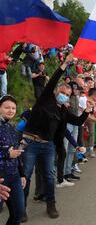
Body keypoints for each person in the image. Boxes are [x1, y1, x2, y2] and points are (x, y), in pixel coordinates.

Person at [22, 54, 94, 220]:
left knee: (49, 175)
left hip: (47, 146)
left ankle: (51, 204)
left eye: (67, 95)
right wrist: (65, 64)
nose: (64, 95)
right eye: (62, 92)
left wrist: (87, 111)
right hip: (30, 142)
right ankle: (21, 208)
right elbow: (54, 79)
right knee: (25, 175)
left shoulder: (63, 111)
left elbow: (76, 121)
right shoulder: (45, 98)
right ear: (56, 91)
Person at [0, 95, 26, 225]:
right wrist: (6, 153)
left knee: (18, 213)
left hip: (14, 175)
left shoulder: (11, 127)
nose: (10, 110)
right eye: (6, 107)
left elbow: (17, 153)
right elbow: (9, 153)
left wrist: (22, 174)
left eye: (13, 108)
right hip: (1, 177)